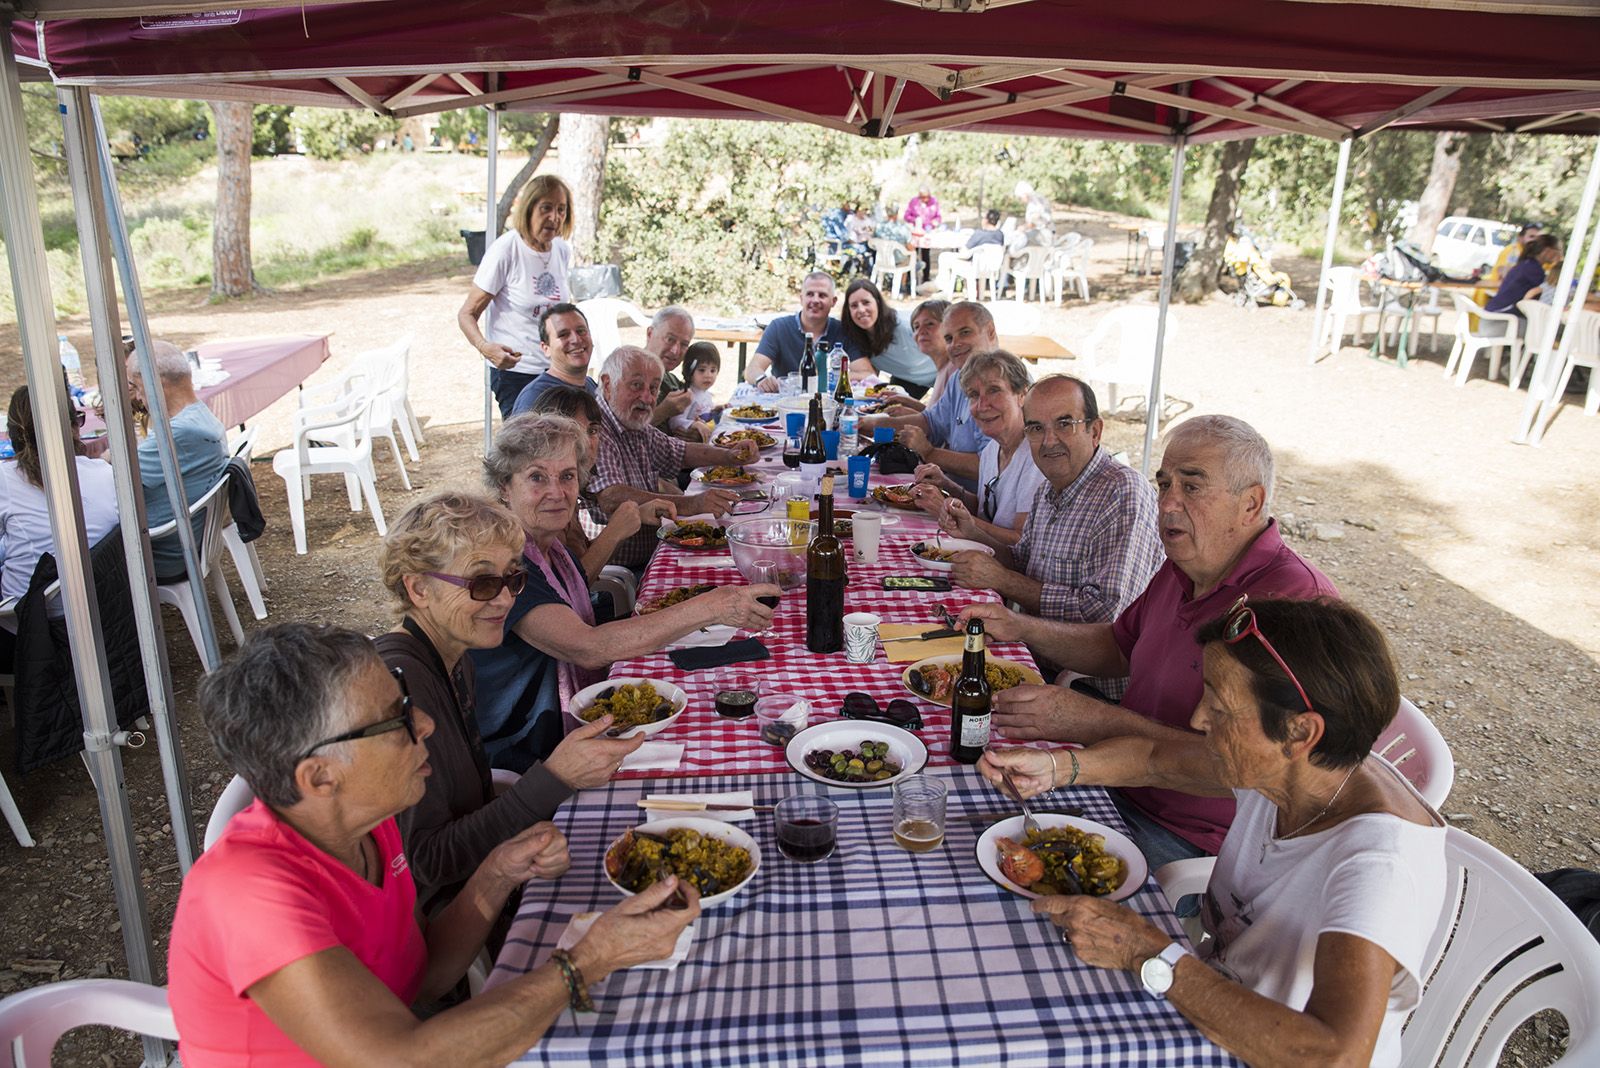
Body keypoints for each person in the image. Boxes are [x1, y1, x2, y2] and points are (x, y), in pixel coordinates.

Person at [167, 623, 698, 1067]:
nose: (425, 722)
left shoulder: (368, 824)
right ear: (320, 776)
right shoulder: (248, 893)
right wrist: (586, 962)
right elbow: (407, 1060)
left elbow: (424, 978)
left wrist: (495, 873)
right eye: (396, 720)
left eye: (408, 701)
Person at [981, 598, 1445, 1068]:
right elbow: (1155, 759)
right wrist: (1057, 767)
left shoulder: (1379, 867)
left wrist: (1149, 954)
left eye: (1220, 708)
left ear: (1300, 731)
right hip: (1207, 1001)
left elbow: (1335, 1056)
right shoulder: (1297, 768)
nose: (1200, 719)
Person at [959, 414, 1337, 871]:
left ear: (1251, 504)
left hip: (1193, 839)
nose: (1168, 503)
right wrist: (1022, 628)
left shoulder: (1294, 604)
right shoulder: (1185, 564)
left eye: (1191, 487)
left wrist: (1090, 723)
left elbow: (1241, 768)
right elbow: (1120, 647)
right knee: (961, 814)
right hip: (1115, 780)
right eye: (1164, 484)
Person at [374, 492, 639, 917]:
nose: (503, 600)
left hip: (496, 864)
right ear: (418, 587)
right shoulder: (400, 689)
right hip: (446, 919)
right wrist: (554, 777)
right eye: (481, 583)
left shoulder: (453, 656)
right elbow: (429, 862)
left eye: (512, 579)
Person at [472, 413, 776, 771]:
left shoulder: (545, 545)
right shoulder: (506, 562)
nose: (557, 492)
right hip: (531, 752)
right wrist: (712, 606)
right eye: (537, 477)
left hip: (573, 718)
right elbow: (588, 647)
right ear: (505, 487)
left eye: (568, 476)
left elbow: (567, 599)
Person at [940, 375, 1161, 639]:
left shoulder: (1122, 491)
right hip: (1033, 649)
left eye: (1064, 424)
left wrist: (1001, 580)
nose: (1049, 441)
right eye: (1035, 428)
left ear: (1095, 431)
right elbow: (1022, 561)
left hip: (1079, 678)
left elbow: (1106, 614)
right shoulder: (1048, 487)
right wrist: (973, 532)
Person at [593, 346, 760, 568]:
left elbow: (679, 451)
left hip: (654, 551)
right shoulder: (595, 429)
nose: (647, 397)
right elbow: (611, 496)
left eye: (653, 389)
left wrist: (730, 455)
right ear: (607, 385)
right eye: (636, 385)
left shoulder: (631, 421)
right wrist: (691, 504)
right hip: (622, 570)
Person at [530, 386, 675, 585]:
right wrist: (615, 529)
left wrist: (634, 518)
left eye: (593, 430)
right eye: (574, 430)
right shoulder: (545, 499)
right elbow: (572, 586)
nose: (588, 442)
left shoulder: (572, 491)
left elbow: (585, 563)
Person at [457, 175, 575, 417]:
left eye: (561, 210)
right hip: (516, 374)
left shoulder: (562, 250)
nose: (554, 217)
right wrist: (485, 348)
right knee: (526, 450)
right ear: (529, 209)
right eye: (546, 208)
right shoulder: (506, 250)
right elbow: (466, 314)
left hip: (556, 369)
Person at [910, 350, 1042, 548]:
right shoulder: (992, 449)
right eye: (973, 395)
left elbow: (1020, 542)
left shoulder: (1036, 457)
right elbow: (987, 510)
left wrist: (944, 510)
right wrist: (947, 485)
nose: (982, 405)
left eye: (994, 390)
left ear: (1022, 394)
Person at [0, 384, 119, 603]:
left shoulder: (6, 480)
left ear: (12, 434)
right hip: (106, 606)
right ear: (72, 428)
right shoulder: (105, 474)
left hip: (29, 618)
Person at [859, 301, 997, 486]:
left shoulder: (1001, 385)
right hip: (951, 491)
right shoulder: (960, 376)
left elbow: (992, 467)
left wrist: (930, 452)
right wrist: (867, 423)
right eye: (948, 338)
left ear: (990, 331)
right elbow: (930, 422)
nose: (956, 344)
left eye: (965, 332)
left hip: (979, 507)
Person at [125, 341, 228, 581]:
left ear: (156, 385)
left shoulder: (178, 434)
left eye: (138, 388)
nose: (139, 398)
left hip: (163, 553)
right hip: (188, 542)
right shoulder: (198, 415)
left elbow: (116, 478)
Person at [743, 272, 854, 392]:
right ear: (801, 299)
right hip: (787, 403)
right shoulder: (778, 327)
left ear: (834, 301)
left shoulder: (844, 331)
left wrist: (834, 377)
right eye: (810, 294)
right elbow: (751, 369)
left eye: (822, 295)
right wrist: (761, 379)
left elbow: (865, 372)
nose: (815, 300)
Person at [840, 278, 938, 398]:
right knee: (888, 409)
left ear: (878, 303)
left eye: (866, 302)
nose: (861, 310)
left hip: (940, 376)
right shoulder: (855, 337)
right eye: (854, 306)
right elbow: (871, 375)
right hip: (906, 377)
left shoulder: (906, 326)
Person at [508, 304, 595, 417]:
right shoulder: (536, 397)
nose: (576, 339)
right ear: (546, 348)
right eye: (563, 334)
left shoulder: (592, 386)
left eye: (581, 331)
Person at [1481, 234, 1563, 336]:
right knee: (1552, 330)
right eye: (1558, 251)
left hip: (1490, 318)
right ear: (1547, 250)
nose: (1560, 256)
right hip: (1499, 322)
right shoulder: (1535, 271)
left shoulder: (1526, 265)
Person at [881, 299, 952, 414]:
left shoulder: (955, 371)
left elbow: (947, 427)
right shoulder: (943, 367)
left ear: (950, 326)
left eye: (930, 324)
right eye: (916, 327)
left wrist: (908, 412)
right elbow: (937, 414)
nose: (921, 331)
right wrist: (905, 400)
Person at [645, 305, 697, 430]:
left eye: (684, 344)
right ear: (650, 333)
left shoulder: (672, 381)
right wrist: (662, 412)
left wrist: (692, 428)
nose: (675, 351)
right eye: (670, 339)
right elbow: (617, 433)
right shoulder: (626, 373)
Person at [933, 210, 1003, 295]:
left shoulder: (979, 234)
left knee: (944, 257)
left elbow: (964, 252)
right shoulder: (1000, 235)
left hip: (974, 267)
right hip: (991, 267)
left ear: (986, 220)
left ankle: (943, 288)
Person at [668, 343, 721, 439]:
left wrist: (715, 411)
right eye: (702, 370)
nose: (708, 375)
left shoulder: (706, 394)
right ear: (689, 370)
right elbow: (674, 422)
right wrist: (694, 424)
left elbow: (704, 414)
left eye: (713, 370)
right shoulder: (687, 395)